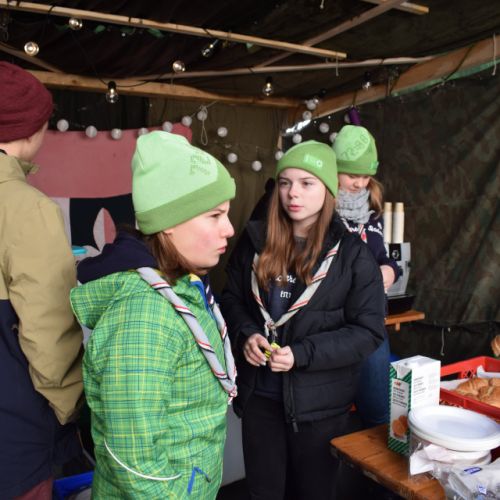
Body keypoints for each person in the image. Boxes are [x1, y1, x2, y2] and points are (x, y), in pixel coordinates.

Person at [70, 131, 237, 498]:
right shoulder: (144, 316)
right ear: (169, 221)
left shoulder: (185, 285)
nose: (229, 229)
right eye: (215, 215)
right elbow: (137, 461)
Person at [221, 140, 386, 500]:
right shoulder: (255, 242)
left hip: (320, 408)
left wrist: (302, 354)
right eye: (285, 183)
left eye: (307, 183)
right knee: (262, 493)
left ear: (327, 190)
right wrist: (247, 334)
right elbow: (230, 298)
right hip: (260, 399)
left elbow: (367, 332)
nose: (292, 193)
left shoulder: (352, 255)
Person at [0, 62, 84, 499]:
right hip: (12, 432)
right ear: (30, 129)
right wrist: (72, 409)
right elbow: (49, 333)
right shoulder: (27, 208)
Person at [333, 124, 400, 428]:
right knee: (333, 413)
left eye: (365, 176)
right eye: (351, 175)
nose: (359, 183)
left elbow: (385, 257)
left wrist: (390, 270)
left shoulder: (373, 215)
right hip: (335, 323)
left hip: (371, 320)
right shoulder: (322, 213)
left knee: (378, 411)